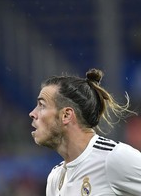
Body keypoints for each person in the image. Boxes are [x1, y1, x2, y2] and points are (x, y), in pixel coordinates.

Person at [29, 68, 141, 196]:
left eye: (42, 105)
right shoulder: (55, 178)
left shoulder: (114, 159)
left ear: (66, 115)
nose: (32, 113)